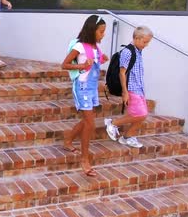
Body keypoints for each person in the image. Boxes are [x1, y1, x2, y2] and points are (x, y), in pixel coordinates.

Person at [61, 15, 109, 177]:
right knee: (90, 123)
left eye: (104, 32)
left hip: (92, 87)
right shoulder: (80, 46)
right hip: (82, 87)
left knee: (88, 120)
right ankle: (84, 159)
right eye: (101, 31)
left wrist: (102, 59)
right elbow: (64, 64)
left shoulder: (94, 46)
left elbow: (95, 63)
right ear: (92, 30)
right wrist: (82, 65)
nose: (103, 35)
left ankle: (68, 140)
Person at [104, 26, 153, 148]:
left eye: (148, 42)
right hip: (131, 88)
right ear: (136, 38)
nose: (146, 45)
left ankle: (127, 137)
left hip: (139, 88)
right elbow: (122, 73)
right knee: (140, 114)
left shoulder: (138, 51)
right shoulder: (128, 51)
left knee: (142, 115)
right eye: (145, 41)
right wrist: (125, 92)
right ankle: (113, 123)